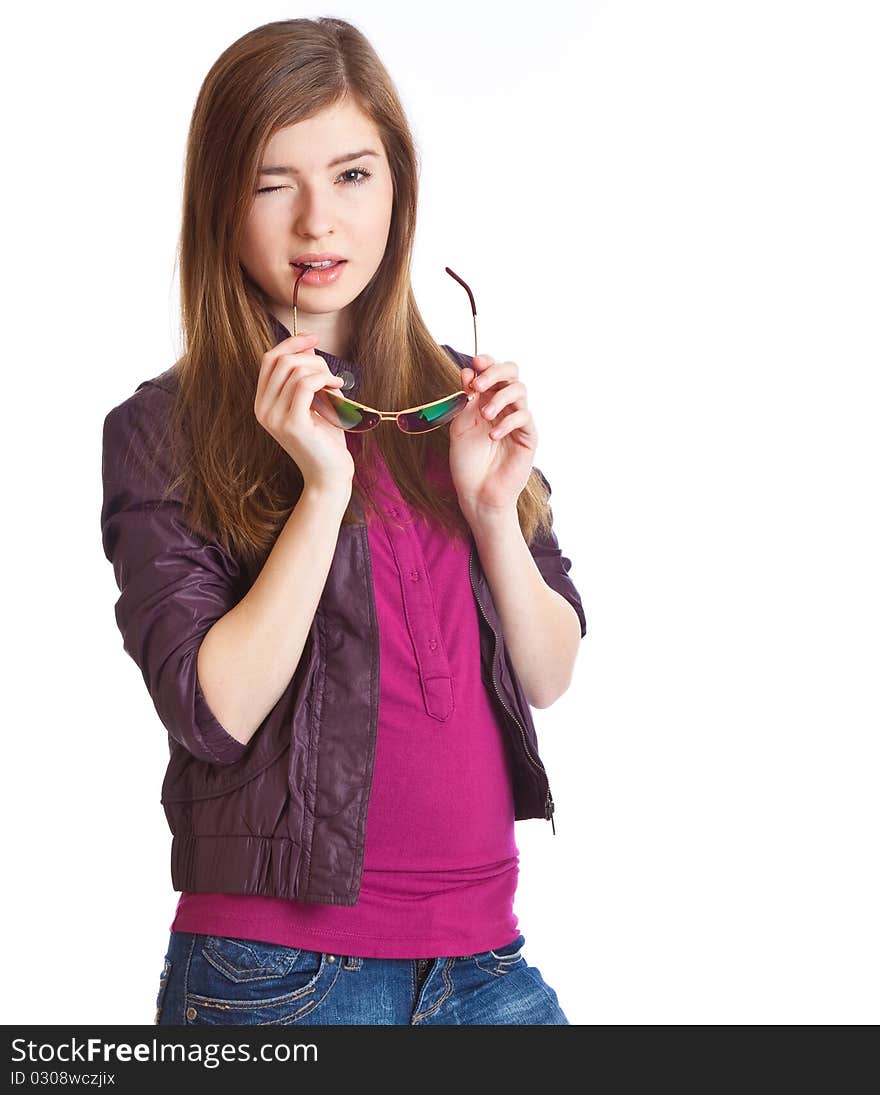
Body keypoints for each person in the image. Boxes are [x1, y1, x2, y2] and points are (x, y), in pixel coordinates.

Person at [100, 16, 587, 1027]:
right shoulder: (162, 429)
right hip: (275, 978)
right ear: (220, 206)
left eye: (353, 175)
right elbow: (213, 707)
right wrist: (322, 492)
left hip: (485, 962)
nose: (318, 221)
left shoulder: (463, 397)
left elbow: (549, 672)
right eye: (273, 182)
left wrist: (494, 513)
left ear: (397, 187)